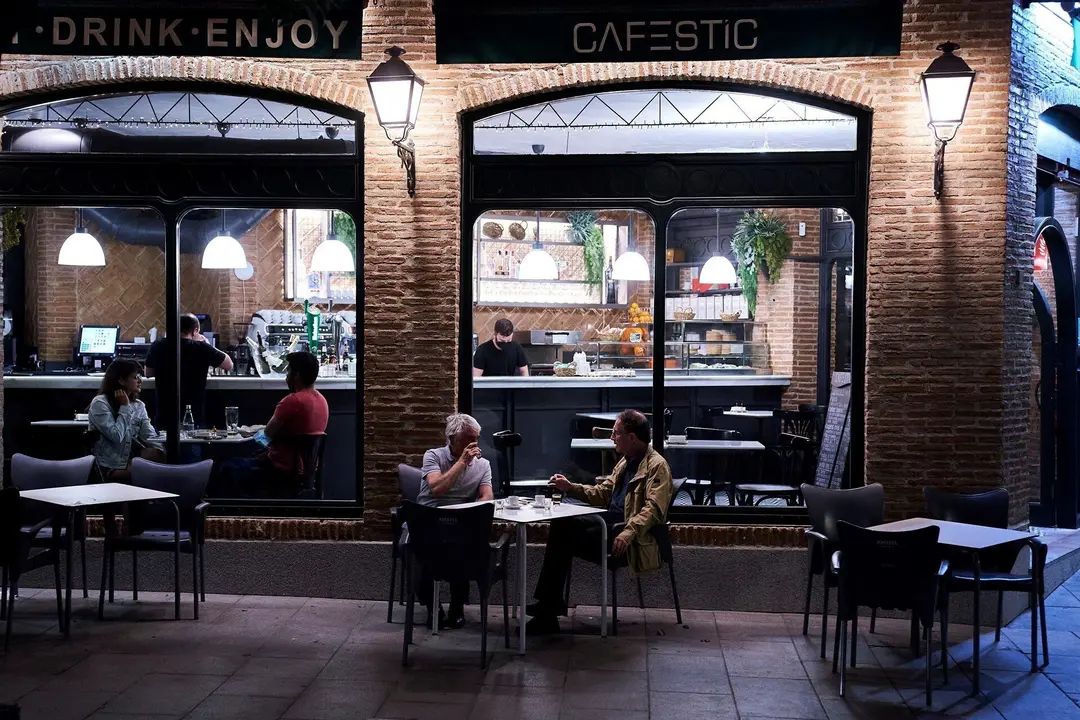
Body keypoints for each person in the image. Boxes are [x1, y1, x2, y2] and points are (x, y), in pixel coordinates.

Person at [525, 409, 673, 635]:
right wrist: (570, 487)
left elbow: (653, 509)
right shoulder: (625, 462)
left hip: (626, 534)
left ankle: (548, 609)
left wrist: (628, 532)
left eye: (616, 433)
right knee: (562, 524)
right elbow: (603, 493)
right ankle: (549, 607)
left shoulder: (656, 466)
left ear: (631, 437)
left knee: (563, 535)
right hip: (608, 523)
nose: (612, 438)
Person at [416, 412, 494, 629]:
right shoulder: (433, 456)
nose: (474, 444)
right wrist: (461, 462)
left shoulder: (483, 465)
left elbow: (487, 497)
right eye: (469, 439)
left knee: (465, 545)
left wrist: (470, 511)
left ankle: (457, 605)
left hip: (460, 518)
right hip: (429, 516)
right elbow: (437, 489)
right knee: (423, 549)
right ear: (452, 439)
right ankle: (432, 606)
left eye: (476, 438)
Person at [219, 351, 329, 497]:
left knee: (227, 467)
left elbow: (264, 437)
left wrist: (252, 431)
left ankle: (243, 515)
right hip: (308, 472)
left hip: (281, 470)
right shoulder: (322, 401)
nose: (286, 377)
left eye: (288, 371)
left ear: (296, 375)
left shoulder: (292, 401)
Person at [144, 313, 233, 428]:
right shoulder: (201, 347)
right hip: (193, 415)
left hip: (165, 415)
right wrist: (207, 344)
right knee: (192, 443)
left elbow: (148, 373)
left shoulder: (158, 345)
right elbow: (228, 365)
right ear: (195, 330)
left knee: (164, 444)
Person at [88, 359, 164, 480]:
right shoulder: (100, 403)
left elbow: (149, 436)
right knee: (147, 474)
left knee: (161, 458)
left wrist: (161, 451)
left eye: (140, 376)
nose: (140, 381)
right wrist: (124, 407)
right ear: (121, 380)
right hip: (109, 465)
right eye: (135, 377)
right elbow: (116, 436)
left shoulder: (139, 405)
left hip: (130, 459)